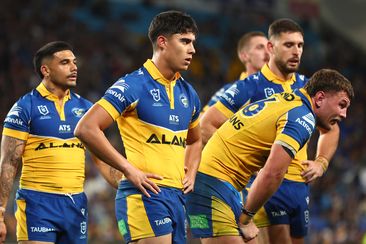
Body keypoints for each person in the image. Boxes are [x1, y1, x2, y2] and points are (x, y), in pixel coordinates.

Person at [199, 18, 341, 244]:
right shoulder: (249, 85)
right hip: (264, 186)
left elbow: (331, 129)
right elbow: (206, 124)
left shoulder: (308, 87)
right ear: (271, 48)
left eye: (300, 45)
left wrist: (321, 162)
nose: (296, 52)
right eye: (289, 45)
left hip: (299, 186)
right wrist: (240, 159)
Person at [0, 41, 147, 244]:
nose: (74, 67)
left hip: (75, 204)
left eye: (74, 62)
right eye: (65, 62)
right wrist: (0, 212)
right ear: (46, 70)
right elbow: (9, 162)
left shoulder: (87, 109)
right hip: (37, 202)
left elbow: (103, 161)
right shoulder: (25, 108)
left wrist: (132, 186)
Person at [74, 10, 202, 244]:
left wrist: (191, 172)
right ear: (162, 42)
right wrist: (128, 170)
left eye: (193, 42)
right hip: (145, 195)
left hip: (177, 198)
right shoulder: (133, 84)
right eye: (185, 41)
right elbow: (86, 128)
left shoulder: (189, 93)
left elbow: (195, 140)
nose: (192, 49)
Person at [186, 68, 354, 243]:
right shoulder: (302, 117)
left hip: (224, 186)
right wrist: (246, 218)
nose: (344, 114)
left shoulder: (289, 101)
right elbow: (273, 173)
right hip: (209, 185)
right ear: (319, 98)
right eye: (341, 105)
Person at [201, 31, 269, 113]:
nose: (267, 52)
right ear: (244, 56)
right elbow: (202, 121)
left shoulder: (282, 85)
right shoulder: (230, 91)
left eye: (269, 47)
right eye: (260, 47)